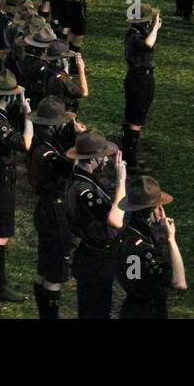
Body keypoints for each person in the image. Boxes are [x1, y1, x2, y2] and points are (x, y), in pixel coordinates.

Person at [0, 68, 33, 302]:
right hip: (1, 177)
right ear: (9, 96)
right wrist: (29, 117)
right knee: (1, 233)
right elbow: (25, 144)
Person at [65, 129, 126, 319]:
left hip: (92, 256)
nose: (106, 160)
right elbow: (115, 218)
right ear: (91, 160)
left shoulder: (83, 180)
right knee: (96, 311)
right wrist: (121, 181)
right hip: (96, 259)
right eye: (103, 157)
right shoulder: (85, 191)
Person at [27, 95, 76, 319]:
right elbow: (68, 169)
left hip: (44, 208)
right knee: (55, 271)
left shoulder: (41, 143)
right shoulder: (47, 152)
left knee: (44, 267)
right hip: (54, 210)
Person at [115, 175, 187, 318]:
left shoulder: (124, 236)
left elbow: (134, 276)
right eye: (158, 206)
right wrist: (171, 238)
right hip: (149, 311)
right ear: (151, 211)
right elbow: (180, 283)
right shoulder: (144, 249)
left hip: (130, 307)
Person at [121, 3, 161, 169]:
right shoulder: (134, 36)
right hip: (139, 79)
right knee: (135, 119)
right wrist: (156, 29)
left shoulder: (137, 32)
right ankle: (130, 160)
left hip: (142, 78)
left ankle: (128, 155)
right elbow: (147, 45)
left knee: (136, 115)